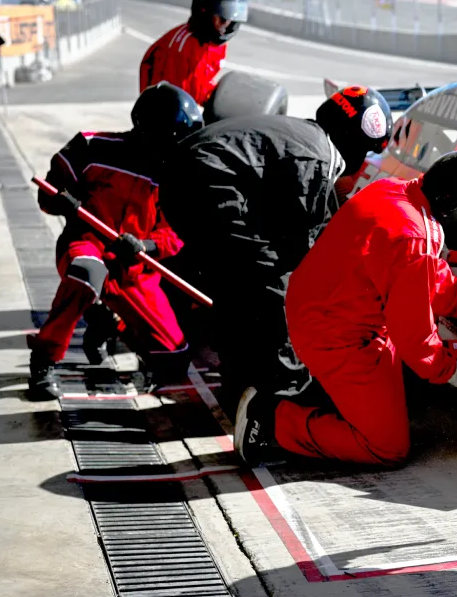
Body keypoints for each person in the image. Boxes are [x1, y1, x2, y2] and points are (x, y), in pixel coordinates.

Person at [232, 151, 457, 466]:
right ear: (456, 204)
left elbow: (420, 276)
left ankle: (329, 399)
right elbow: (415, 339)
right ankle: (271, 423)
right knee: (387, 447)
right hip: (336, 335)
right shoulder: (416, 237)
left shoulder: (399, 192)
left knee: (412, 387)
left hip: (322, 308)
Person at [158, 86, 392, 400]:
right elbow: (301, 251)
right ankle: (285, 394)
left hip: (182, 181)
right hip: (204, 181)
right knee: (275, 285)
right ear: (355, 142)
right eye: (366, 151)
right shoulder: (319, 158)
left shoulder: (303, 136)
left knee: (240, 285)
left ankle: (240, 384)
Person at [26, 83, 203, 398]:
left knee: (174, 359)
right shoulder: (92, 146)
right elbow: (48, 194)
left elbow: (176, 235)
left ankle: (107, 322)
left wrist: (146, 246)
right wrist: (63, 201)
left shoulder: (176, 175)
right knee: (86, 274)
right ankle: (44, 359)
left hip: (135, 271)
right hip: (86, 246)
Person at [139, 0, 248, 104]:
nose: (226, 23)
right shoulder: (184, 46)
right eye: (222, 17)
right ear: (204, 11)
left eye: (230, 19)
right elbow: (177, 98)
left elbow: (200, 87)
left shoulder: (216, 44)